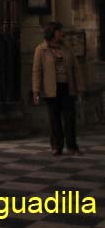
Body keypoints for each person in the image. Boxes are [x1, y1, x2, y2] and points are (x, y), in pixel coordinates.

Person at [32, 21, 84, 156]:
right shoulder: (41, 49)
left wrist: (79, 88)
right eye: (59, 31)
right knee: (54, 119)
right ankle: (57, 146)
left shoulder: (67, 48)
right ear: (52, 33)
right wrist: (36, 91)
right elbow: (37, 71)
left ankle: (72, 146)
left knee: (70, 118)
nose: (62, 33)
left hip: (67, 87)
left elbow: (76, 69)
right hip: (52, 89)